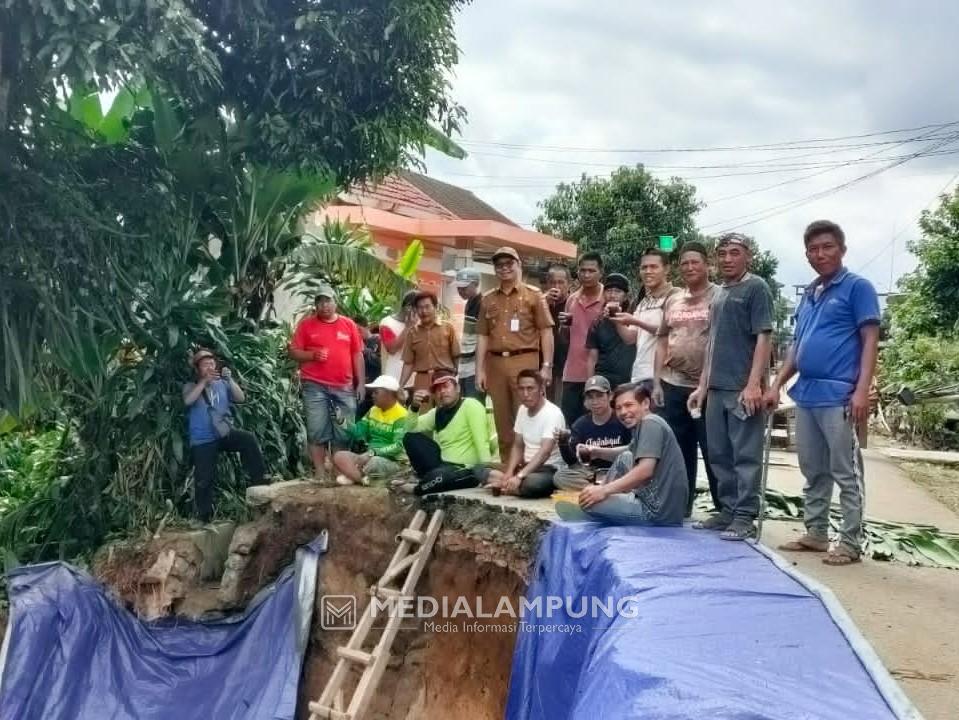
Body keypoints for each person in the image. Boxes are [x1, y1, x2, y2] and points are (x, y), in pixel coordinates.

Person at [765, 220, 880, 566]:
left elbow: (870, 340)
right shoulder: (811, 293)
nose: (820, 254)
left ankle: (850, 542)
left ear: (842, 250)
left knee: (846, 471)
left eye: (828, 247)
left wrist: (862, 390)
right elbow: (798, 347)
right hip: (808, 394)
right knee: (813, 468)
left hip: (840, 395)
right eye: (814, 249)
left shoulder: (857, 288)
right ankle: (815, 533)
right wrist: (775, 384)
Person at [688, 233, 774, 540]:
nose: (727, 258)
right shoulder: (720, 293)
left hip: (742, 390)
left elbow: (764, 337)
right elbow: (711, 343)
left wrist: (754, 385)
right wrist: (702, 386)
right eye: (722, 253)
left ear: (748, 256)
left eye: (734, 253)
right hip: (716, 390)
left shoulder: (756, 288)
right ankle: (727, 510)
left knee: (745, 456)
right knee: (719, 455)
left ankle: (745, 516)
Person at [652, 242, 721, 515]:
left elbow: (720, 341)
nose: (690, 267)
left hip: (707, 389)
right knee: (679, 451)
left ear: (707, 265)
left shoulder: (719, 296)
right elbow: (661, 338)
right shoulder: (674, 299)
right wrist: (657, 381)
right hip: (673, 384)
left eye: (695, 262)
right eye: (684, 263)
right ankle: (682, 506)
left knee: (713, 448)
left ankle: (722, 509)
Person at [559, 383, 689, 526]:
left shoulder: (650, 424)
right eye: (619, 408)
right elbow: (628, 450)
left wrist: (604, 490)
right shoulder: (647, 423)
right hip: (662, 505)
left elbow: (645, 470)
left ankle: (598, 507)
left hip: (656, 511)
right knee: (625, 457)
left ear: (645, 403)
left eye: (629, 405)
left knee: (590, 504)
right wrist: (596, 451)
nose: (623, 412)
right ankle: (604, 501)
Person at [476, 247, 555, 461]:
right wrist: (479, 371)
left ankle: (531, 467)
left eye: (509, 264)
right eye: (499, 265)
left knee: (528, 416)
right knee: (502, 421)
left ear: (518, 265)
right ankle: (507, 468)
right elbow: (482, 336)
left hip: (525, 361)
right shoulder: (487, 299)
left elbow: (546, 331)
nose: (504, 269)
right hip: (496, 364)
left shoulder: (534, 295)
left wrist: (546, 366)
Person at [289, 285, 365, 483]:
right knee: (316, 430)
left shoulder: (349, 325)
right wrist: (312, 355)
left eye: (328, 300)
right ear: (316, 305)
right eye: (320, 301)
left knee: (344, 432)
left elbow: (357, 355)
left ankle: (338, 473)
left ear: (335, 302)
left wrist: (361, 384)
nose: (324, 305)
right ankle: (320, 474)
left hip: (344, 386)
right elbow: (294, 352)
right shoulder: (306, 325)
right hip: (314, 386)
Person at [183, 349, 266, 522]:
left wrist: (230, 380)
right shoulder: (191, 386)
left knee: (247, 440)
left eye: (212, 363)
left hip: (223, 433)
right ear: (198, 369)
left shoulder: (222, 383)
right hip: (203, 439)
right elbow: (188, 401)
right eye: (205, 365)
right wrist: (203, 383)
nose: (210, 366)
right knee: (204, 478)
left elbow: (241, 398)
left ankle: (259, 482)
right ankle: (204, 516)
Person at [400, 370, 492, 495]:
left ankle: (418, 489)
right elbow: (410, 429)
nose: (442, 391)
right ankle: (427, 479)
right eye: (438, 389)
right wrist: (415, 407)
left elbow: (482, 442)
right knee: (410, 438)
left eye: (446, 386)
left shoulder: (471, 405)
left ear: (457, 388)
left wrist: (486, 473)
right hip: (443, 464)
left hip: (466, 469)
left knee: (439, 477)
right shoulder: (437, 412)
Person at [477, 369, 566, 497]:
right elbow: (518, 445)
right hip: (524, 466)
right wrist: (510, 471)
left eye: (530, 388)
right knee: (479, 468)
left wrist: (520, 476)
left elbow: (544, 453)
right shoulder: (522, 409)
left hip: (546, 469)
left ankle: (506, 485)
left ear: (541, 389)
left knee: (533, 484)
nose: (525, 394)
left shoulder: (553, 413)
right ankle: (509, 483)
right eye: (521, 389)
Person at [610, 248, 679, 392]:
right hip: (639, 375)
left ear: (666, 269)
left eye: (653, 267)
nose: (648, 271)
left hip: (663, 378)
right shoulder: (643, 302)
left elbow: (672, 332)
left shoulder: (675, 296)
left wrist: (636, 322)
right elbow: (630, 338)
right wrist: (615, 318)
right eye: (644, 267)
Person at [553, 375, 632, 491]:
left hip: (617, 470)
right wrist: (563, 443)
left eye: (600, 396)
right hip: (591, 473)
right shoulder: (580, 424)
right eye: (590, 397)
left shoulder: (622, 418)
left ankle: (605, 489)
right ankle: (600, 490)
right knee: (560, 477)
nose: (595, 402)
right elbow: (573, 462)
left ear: (610, 396)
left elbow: (633, 450)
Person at [332, 375, 408, 486]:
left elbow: (398, 446)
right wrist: (341, 421)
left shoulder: (402, 416)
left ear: (388, 394)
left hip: (394, 461)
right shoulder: (373, 410)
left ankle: (354, 476)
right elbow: (359, 431)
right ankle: (362, 479)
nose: (372, 395)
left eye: (376, 392)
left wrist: (373, 453)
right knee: (339, 456)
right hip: (368, 457)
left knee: (375, 462)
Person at [558, 252, 605, 425]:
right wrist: (563, 326)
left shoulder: (607, 299)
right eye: (582, 270)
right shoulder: (572, 299)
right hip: (572, 374)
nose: (586, 275)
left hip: (599, 374)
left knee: (597, 426)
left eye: (591, 271)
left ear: (601, 272)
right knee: (571, 426)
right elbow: (565, 340)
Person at [399, 291, 460, 398]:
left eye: (427, 307)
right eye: (420, 307)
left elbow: (456, 356)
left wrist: (454, 377)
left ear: (435, 307)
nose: (424, 311)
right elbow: (408, 363)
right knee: (423, 413)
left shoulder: (448, 328)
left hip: (445, 378)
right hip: (422, 380)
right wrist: (400, 386)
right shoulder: (412, 332)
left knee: (445, 411)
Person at [585, 273, 636, 389]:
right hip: (602, 381)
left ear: (626, 296)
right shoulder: (597, 322)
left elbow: (632, 340)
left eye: (618, 291)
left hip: (629, 381)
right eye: (609, 291)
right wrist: (590, 384)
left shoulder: (633, 319)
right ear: (603, 294)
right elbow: (592, 358)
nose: (612, 295)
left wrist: (616, 317)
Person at [454, 267, 485, 400]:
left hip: (475, 366)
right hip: (465, 364)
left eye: (464, 288)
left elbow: (483, 337)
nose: (461, 291)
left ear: (476, 284)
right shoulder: (469, 304)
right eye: (459, 288)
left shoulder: (482, 303)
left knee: (473, 404)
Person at [543, 263, 571, 404]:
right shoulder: (540, 303)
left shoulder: (573, 304)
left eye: (561, 282)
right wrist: (543, 303)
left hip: (565, 367)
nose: (556, 286)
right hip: (544, 366)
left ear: (569, 284)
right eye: (552, 282)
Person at [379, 290, 418, 385]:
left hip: (414, 381)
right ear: (408, 307)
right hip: (392, 379)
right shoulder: (387, 323)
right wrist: (408, 327)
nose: (421, 312)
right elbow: (392, 349)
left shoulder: (418, 323)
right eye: (418, 308)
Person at [356, 316, 382, 418]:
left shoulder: (378, 340)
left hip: (376, 388)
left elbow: (380, 362)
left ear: (366, 327)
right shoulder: (355, 343)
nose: (357, 333)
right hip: (361, 390)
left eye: (359, 329)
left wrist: (365, 351)